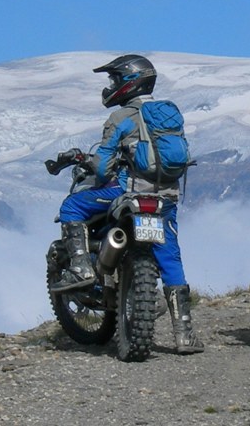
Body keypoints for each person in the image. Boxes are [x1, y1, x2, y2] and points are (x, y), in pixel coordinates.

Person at [49, 54, 204, 354]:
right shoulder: (170, 114)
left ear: (128, 83)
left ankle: (81, 268)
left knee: (72, 207)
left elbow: (105, 168)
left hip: (127, 192)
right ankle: (184, 334)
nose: (111, 86)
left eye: (114, 79)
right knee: (170, 259)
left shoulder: (120, 118)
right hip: (165, 198)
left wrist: (94, 162)